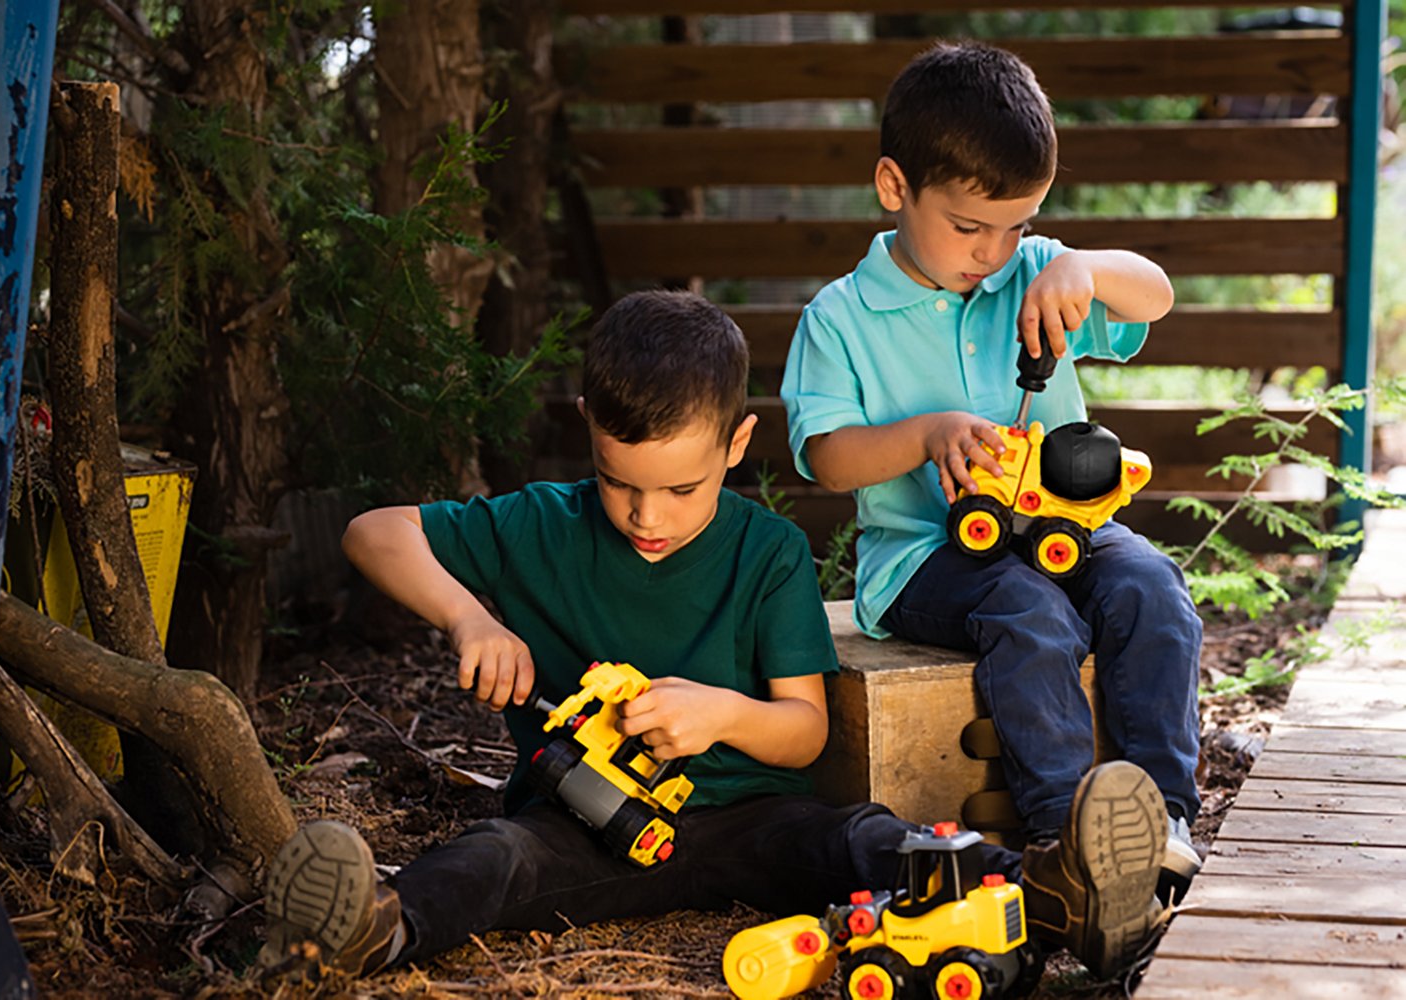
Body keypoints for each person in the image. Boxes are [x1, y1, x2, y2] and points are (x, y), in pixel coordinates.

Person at [259, 289, 1170, 984]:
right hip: (582, 826)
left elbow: (805, 732)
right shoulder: (538, 523)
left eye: (682, 490)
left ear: (737, 446)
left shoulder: (767, 550)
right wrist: (472, 618)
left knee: (868, 841)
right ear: (588, 432)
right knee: (493, 860)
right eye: (621, 485)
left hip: (754, 821)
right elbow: (372, 531)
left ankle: (1060, 894)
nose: (647, 516)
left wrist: (721, 714)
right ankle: (368, 930)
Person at [780, 39, 1203, 906]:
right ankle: (1065, 838)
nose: (993, 251)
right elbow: (828, 457)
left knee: (1151, 586)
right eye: (970, 226)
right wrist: (926, 433)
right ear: (895, 187)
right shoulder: (842, 317)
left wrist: (1083, 266)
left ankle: (1159, 819)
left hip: (1063, 525)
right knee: (1031, 611)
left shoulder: (1038, 275)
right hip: (925, 559)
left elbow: (1154, 294)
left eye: (1017, 225)